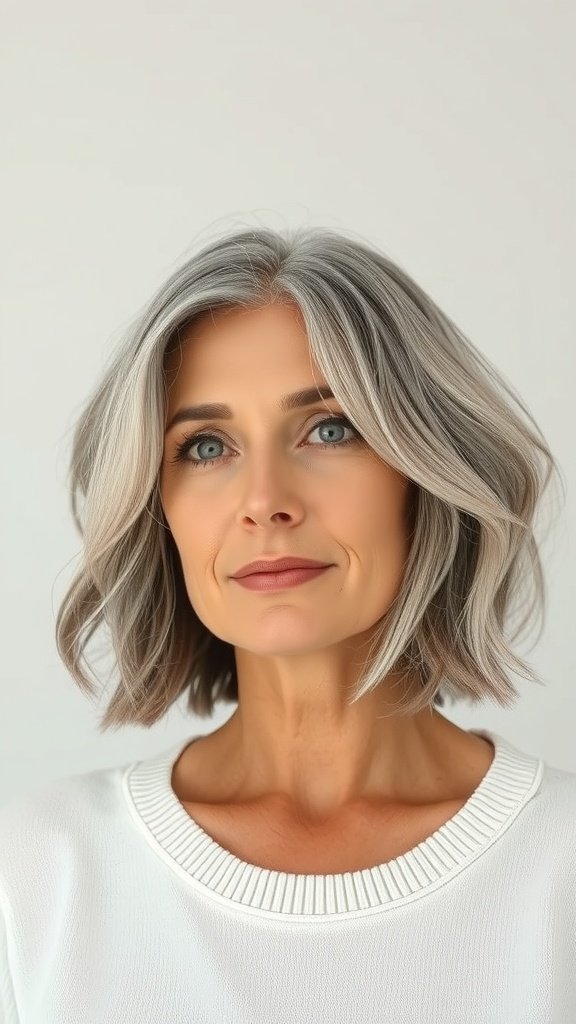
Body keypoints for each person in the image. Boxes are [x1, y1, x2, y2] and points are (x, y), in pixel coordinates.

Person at [0, 225, 573, 1023]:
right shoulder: (35, 878)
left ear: (426, 469)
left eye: (329, 429)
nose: (264, 499)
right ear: (157, 507)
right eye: (205, 447)